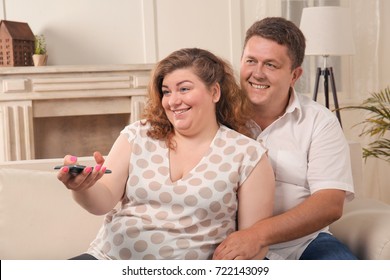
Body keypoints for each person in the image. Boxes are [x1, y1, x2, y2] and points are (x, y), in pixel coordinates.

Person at [57, 48, 275, 260]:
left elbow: (252, 246)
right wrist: (82, 187)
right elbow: (102, 202)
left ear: (214, 92)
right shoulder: (138, 135)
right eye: (167, 91)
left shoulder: (247, 155)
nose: (173, 101)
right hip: (108, 259)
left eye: (184, 89)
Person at [213, 17, 357, 260]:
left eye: (271, 65)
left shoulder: (320, 122)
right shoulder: (216, 115)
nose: (257, 73)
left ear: (294, 74)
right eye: (251, 61)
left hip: (305, 243)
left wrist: (257, 235)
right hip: (232, 241)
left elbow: (330, 203)